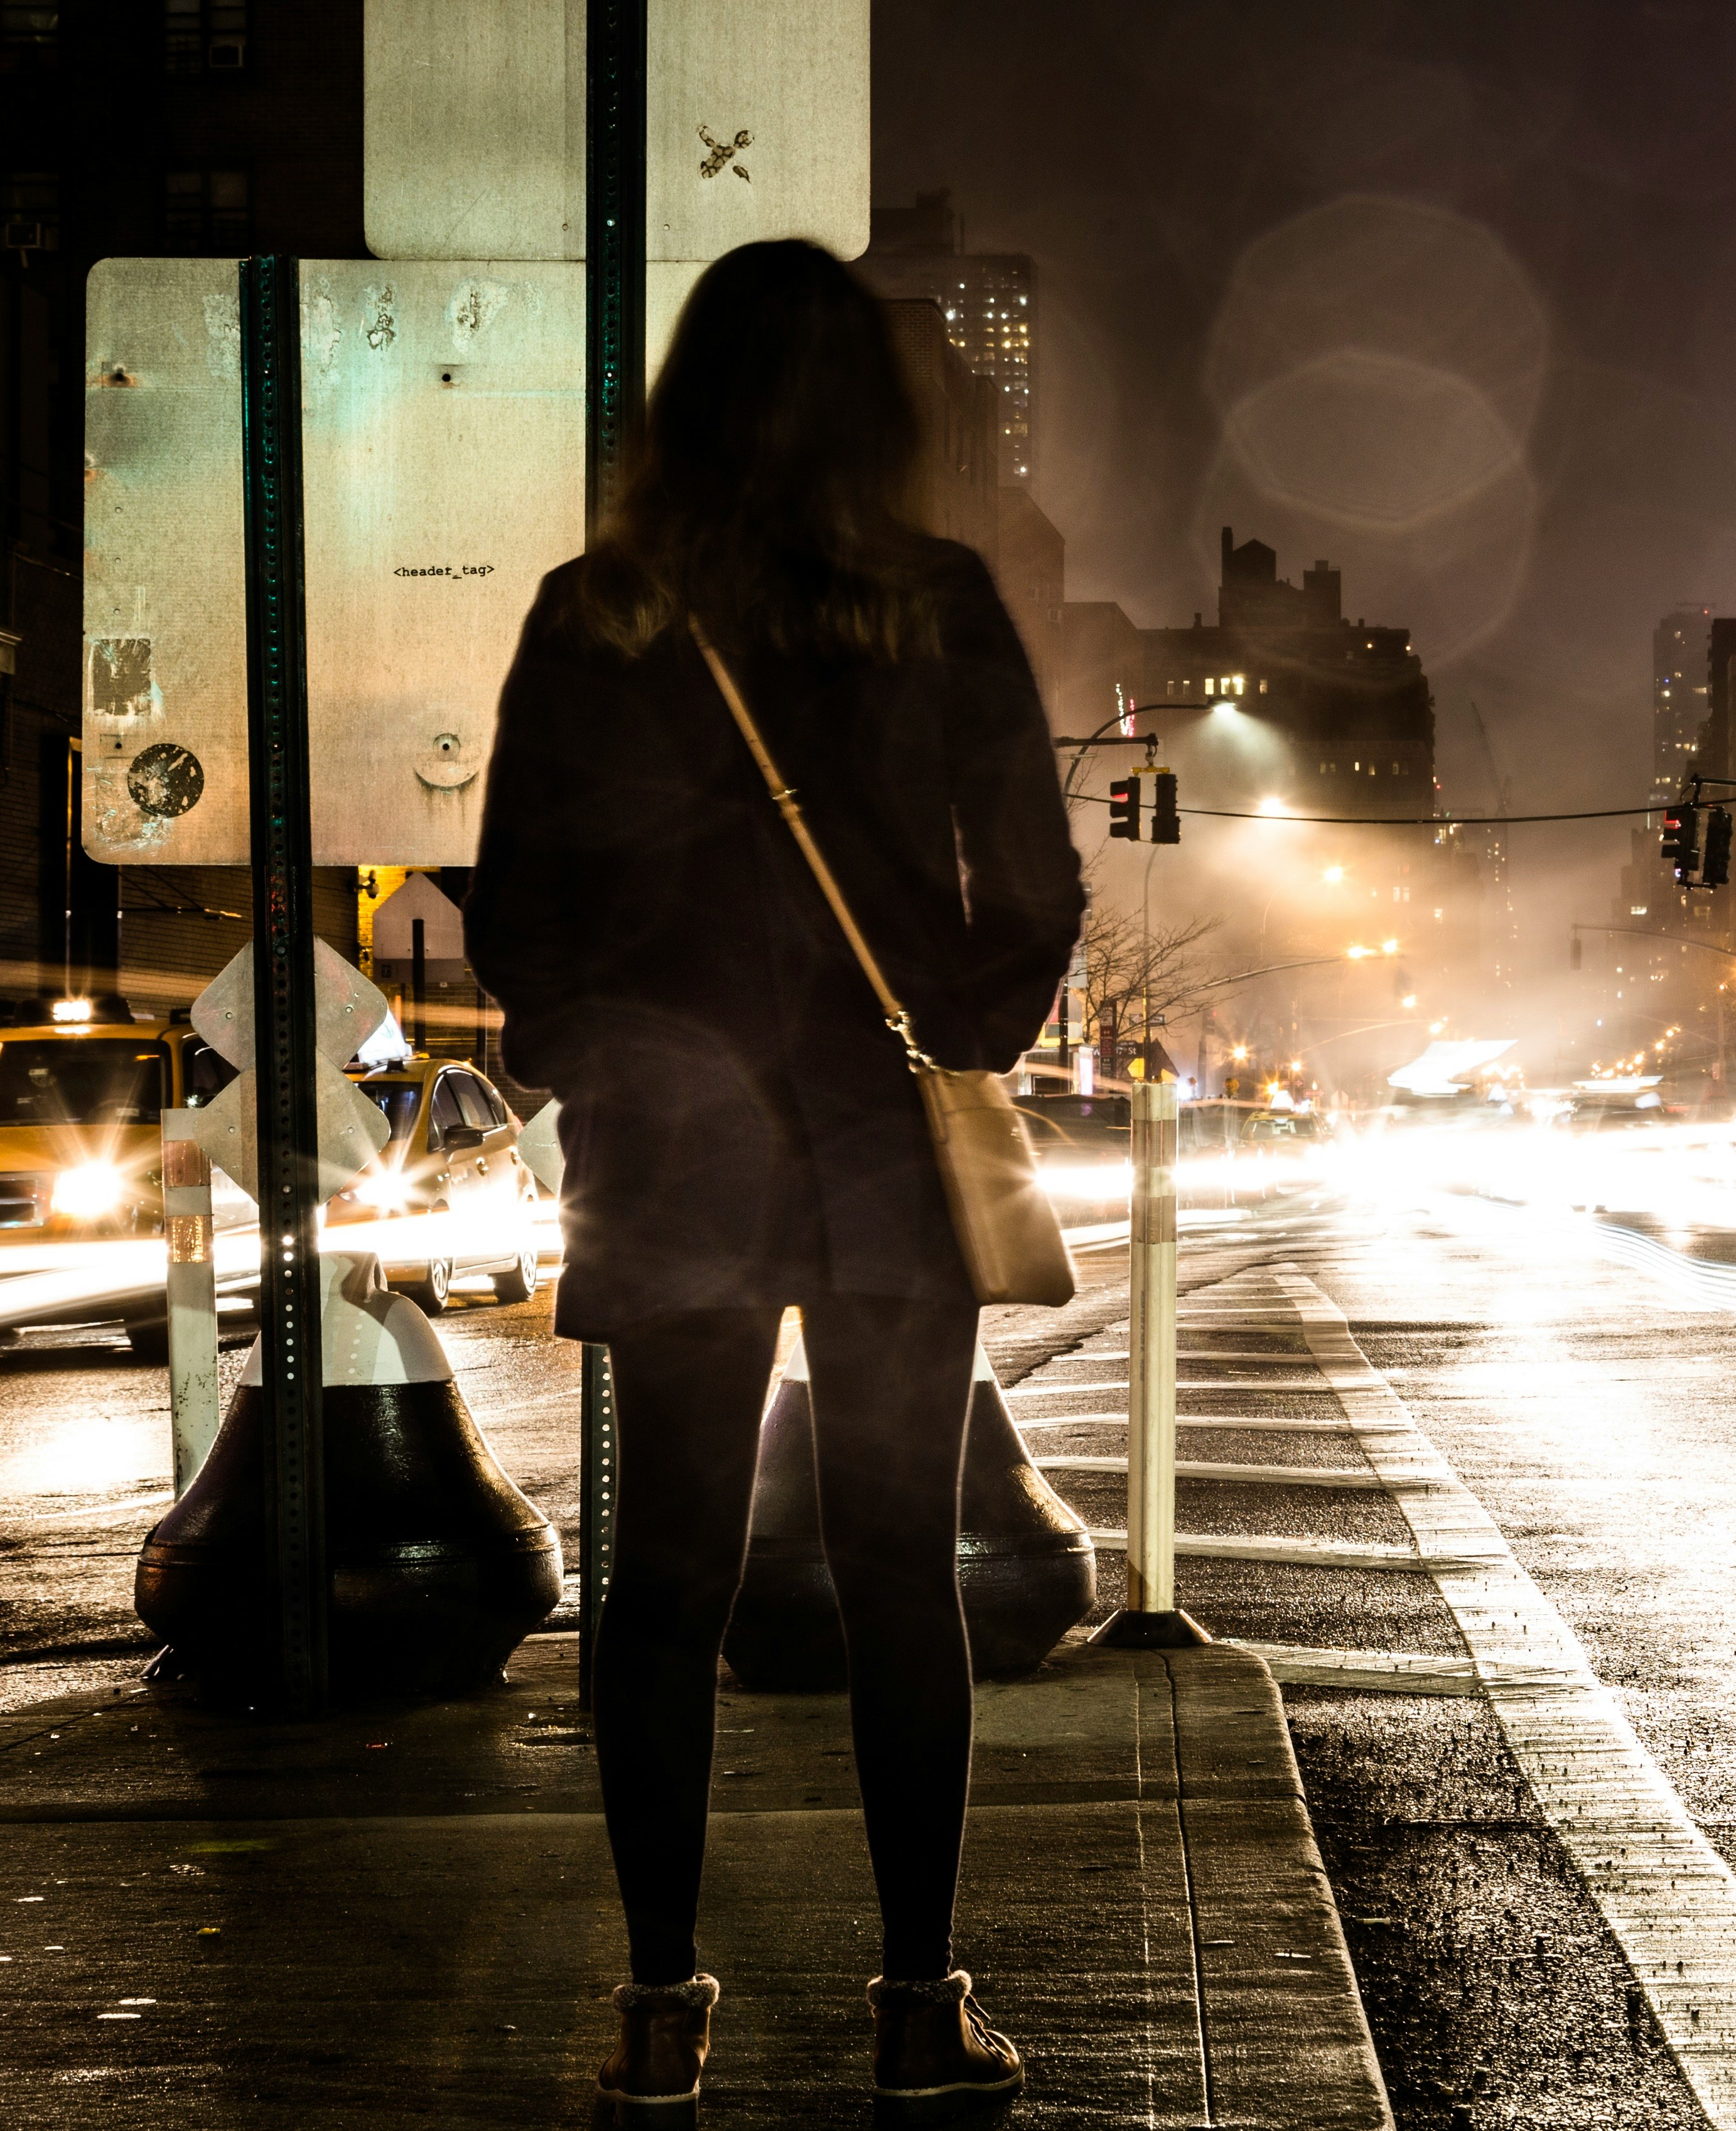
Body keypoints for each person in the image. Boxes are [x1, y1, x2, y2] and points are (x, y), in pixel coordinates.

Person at [467, 237, 1086, 2127]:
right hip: (887, 1155)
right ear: (876, 414)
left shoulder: (602, 610)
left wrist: (619, 1058)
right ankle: (917, 2002)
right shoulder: (944, 604)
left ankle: (661, 2006)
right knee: (906, 1572)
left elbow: (517, 908)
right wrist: (945, 1042)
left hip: (678, 1158)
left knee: (664, 1582)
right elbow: (1040, 890)